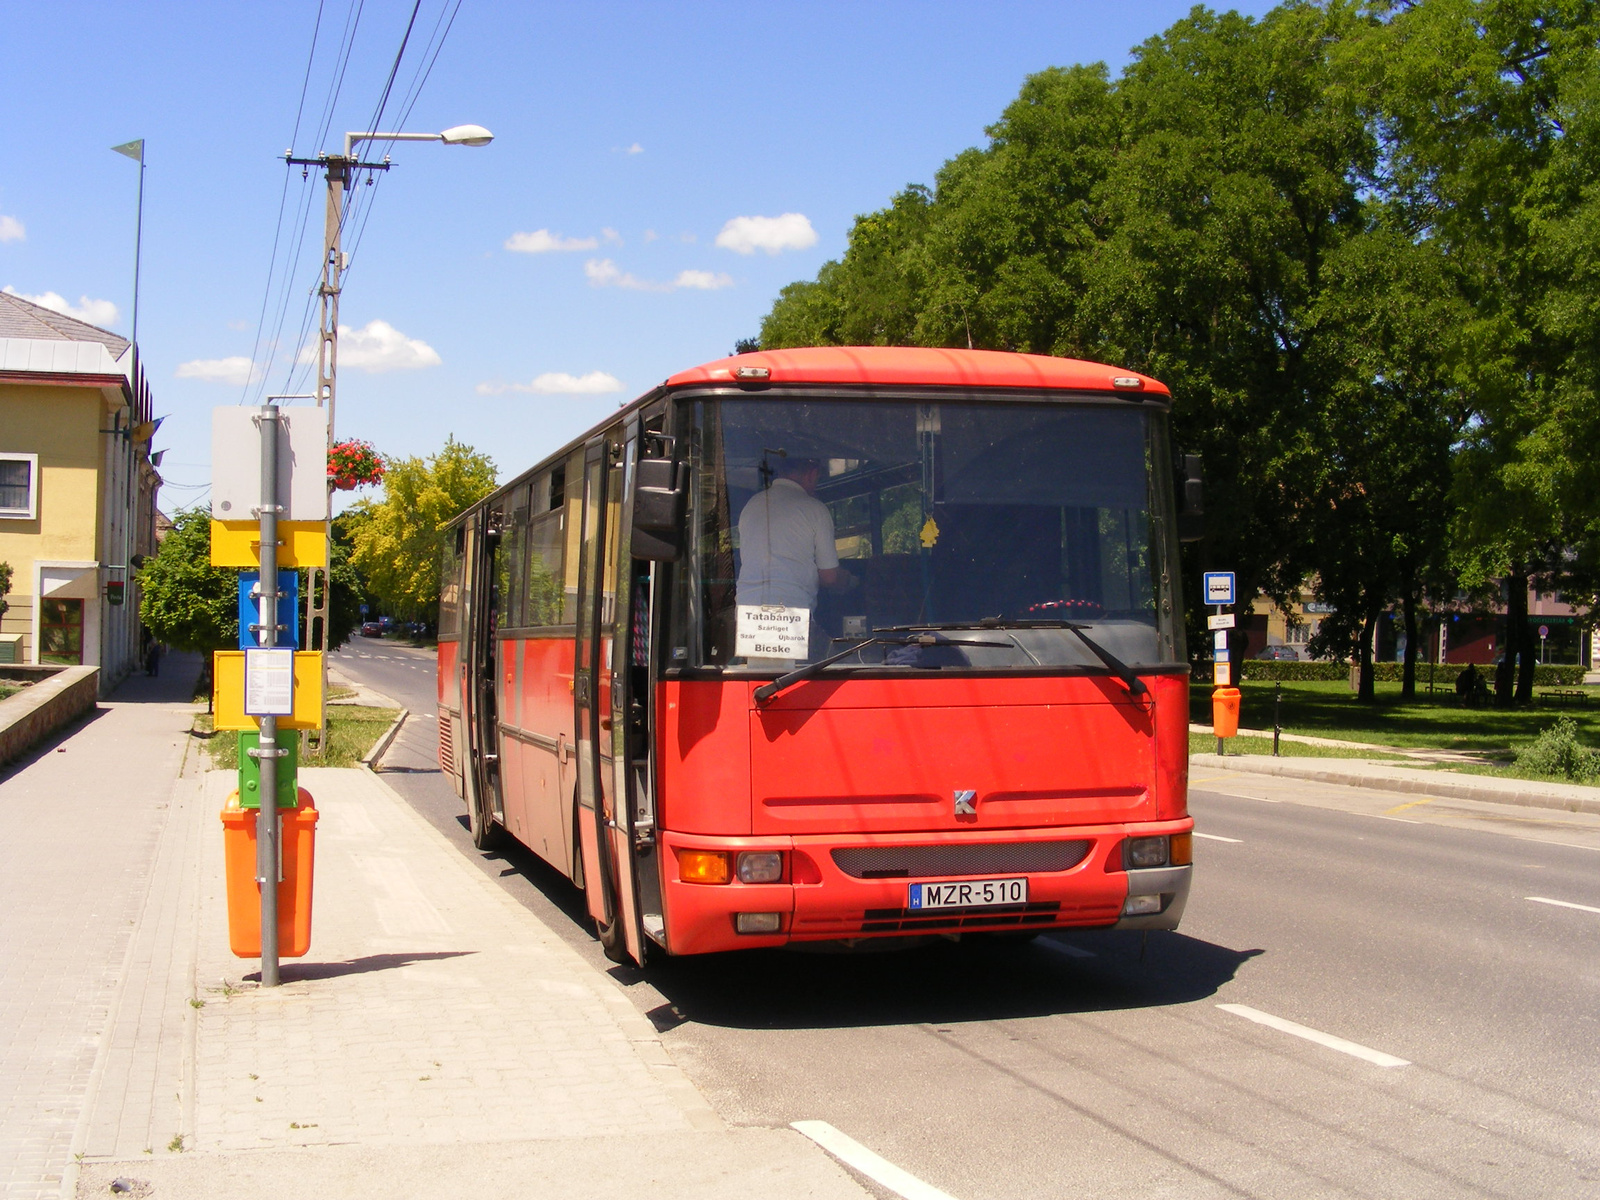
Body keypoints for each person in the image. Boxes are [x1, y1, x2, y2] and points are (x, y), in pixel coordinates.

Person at [736, 457, 851, 655]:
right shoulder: (814, 508)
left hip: (746, 621)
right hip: (791, 622)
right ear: (812, 473)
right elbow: (830, 577)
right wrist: (849, 580)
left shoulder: (751, 506)